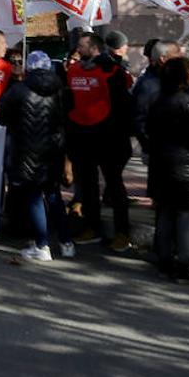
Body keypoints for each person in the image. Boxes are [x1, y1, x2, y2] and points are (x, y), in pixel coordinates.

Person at [0, 51, 71, 262]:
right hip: (54, 150)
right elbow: (67, 116)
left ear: (29, 67)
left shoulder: (19, 90)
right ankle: (66, 243)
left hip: (27, 151)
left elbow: (0, 117)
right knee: (54, 196)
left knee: (34, 197)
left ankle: (42, 245)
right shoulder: (62, 91)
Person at [146, 57, 189, 282]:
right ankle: (185, 263)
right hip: (188, 167)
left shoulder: (157, 100)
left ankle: (165, 260)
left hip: (162, 164)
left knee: (166, 212)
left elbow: (150, 132)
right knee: (186, 216)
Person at [64, 31, 133, 251]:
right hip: (83, 138)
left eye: (83, 46)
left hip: (108, 138)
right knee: (88, 186)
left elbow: (124, 105)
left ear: (94, 48)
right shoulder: (73, 71)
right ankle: (92, 227)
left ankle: (123, 233)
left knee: (114, 186)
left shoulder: (112, 71)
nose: (79, 49)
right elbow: (68, 102)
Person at [131, 40, 183, 152]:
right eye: (177, 54)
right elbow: (140, 120)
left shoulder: (177, 81)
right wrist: (153, 148)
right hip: (162, 152)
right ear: (163, 59)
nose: (181, 57)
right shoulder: (148, 85)